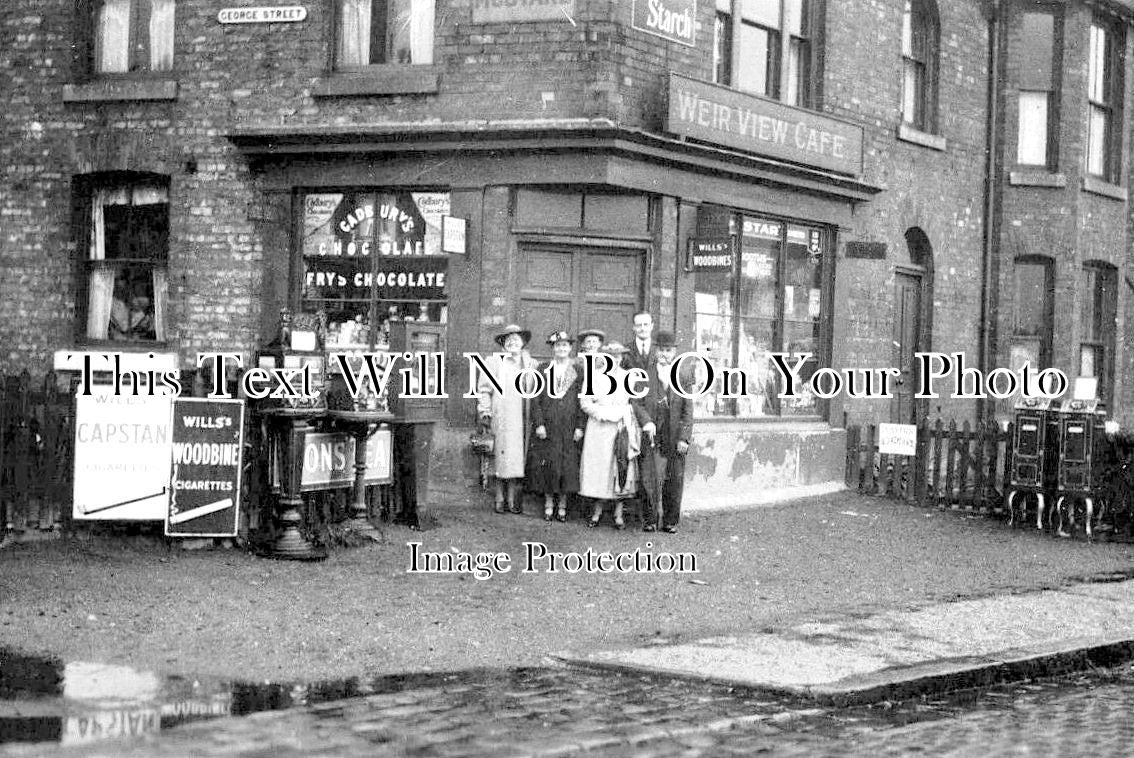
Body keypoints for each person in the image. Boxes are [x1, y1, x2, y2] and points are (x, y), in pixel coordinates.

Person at [578, 343, 654, 529]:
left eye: (618, 356)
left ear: (622, 358)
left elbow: (634, 402)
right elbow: (585, 403)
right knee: (601, 470)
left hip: (621, 428)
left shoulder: (628, 377)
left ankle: (618, 514)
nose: (615, 359)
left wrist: (623, 412)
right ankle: (597, 511)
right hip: (599, 429)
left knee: (620, 467)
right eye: (611, 356)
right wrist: (605, 413)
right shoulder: (594, 377)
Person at [636, 331, 694, 533]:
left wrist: (684, 438)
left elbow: (688, 410)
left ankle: (670, 521)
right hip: (653, 433)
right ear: (656, 350)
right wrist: (646, 422)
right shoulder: (646, 373)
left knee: (674, 479)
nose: (665, 354)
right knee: (649, 479)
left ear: (674, 352)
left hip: (675, 435)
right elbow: (636, 402)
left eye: (669, 350)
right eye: (661, 350)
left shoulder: (683, 375)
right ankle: (650, 520)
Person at [477, 324, 537, 514]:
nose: (512, 343)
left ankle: (512, 497)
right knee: (500, 456)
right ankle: (499, 497)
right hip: (500, 415)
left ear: (523, 343)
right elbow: (484, 389)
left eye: (516, 340)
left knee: (516, 458)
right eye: (508, 340)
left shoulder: (530, 364)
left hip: (520, 417)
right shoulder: (493, 362)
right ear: (503, 344)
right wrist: (485, 411)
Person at [526, 331, 586, 522]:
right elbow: (535, 399)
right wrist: (539, 424)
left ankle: (563, 505)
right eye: (557, 345)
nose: (561, 349)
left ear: (570, 348)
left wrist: (579, 426)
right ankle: (548, 504)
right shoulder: (543, 369)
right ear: (552, 348)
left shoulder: (578, 371)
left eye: (565, 345)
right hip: (549, 425)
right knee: (549, 465)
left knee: (567, 465)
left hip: (568, 426)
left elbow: (582, 400)